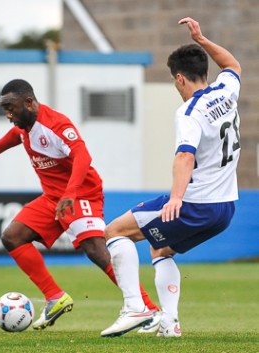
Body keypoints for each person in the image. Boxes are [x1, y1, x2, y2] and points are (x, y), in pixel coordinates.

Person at [0, 79, 159, 330]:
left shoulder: (56, 125)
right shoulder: (25, 125)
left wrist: (71, 193)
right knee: (12, 237)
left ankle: (148, 309)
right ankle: (55, 297)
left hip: (81, 194)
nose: (8, 114)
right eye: (5, 108)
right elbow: (17, 136)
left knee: (95, 250)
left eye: (11, 108)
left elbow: (83, 155)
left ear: (28, 102)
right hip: (53, 197)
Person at [101, 17, 242, 338]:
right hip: (226, 209)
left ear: (179, 78)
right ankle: (169, 323)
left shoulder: (190, 111)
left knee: (115, 232)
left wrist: (176, 198)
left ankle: (135, 308)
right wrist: (202, 39)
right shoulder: (226, 90)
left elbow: (184, 155)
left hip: (195, 203)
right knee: (160, 250)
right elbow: (232, 63)